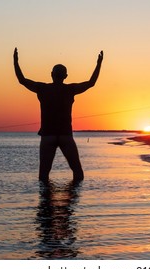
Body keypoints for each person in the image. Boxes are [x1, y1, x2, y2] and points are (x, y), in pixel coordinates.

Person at [13, 48, 103, 182]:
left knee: (43, 175)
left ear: (51, 74)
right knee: (77, 172)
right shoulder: (70, 89)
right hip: (65, 135)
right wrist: (99, 63)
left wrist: (15, 61)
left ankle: (45, 202)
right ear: (65, 76)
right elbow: (91, 83)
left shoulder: (42, 88)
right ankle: (72, 201)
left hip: (48, 136)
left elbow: (22, 80)